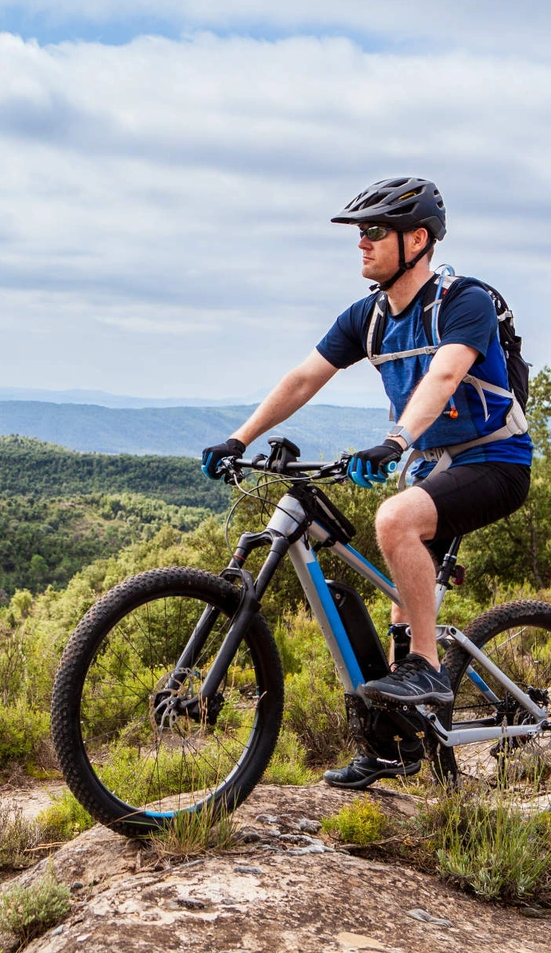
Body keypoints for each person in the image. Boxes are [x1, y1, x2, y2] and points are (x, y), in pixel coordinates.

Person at [201, 177, 532, 789]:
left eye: (375, 231)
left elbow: (444, 375)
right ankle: (392, 749)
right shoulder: (370, 316)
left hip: (495, 463)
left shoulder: (464, 301)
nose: (362, 242)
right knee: (399, 608)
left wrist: (397, 441)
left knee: (394, 520)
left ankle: (430, 671)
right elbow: (304, 378)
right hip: (433, 467)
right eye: (360, 232)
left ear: (418, 239)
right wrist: (239, 439)